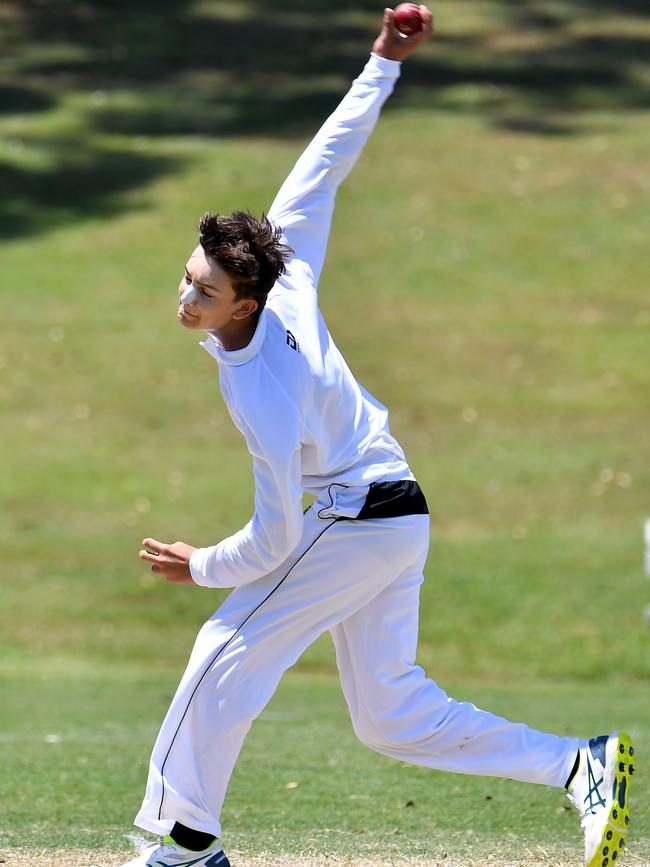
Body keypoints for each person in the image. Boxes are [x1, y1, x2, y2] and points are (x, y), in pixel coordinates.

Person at [120, 8, 634, 867]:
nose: (186, 300)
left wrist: (201, 563)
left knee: (224, 648)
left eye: (204, 294)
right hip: (397, 512)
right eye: (186, 278)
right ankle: (578, 763)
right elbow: (323, 166)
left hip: (355, 517)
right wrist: (381, 63)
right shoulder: (283, 273)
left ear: (243, 302)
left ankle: (184, 848)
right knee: (390, 716)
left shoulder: (264, 392)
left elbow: (280, 536)